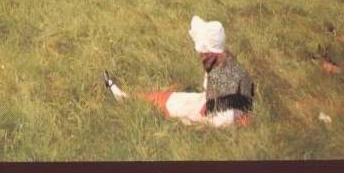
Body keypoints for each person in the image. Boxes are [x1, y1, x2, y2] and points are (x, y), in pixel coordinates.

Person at [104, 15, 255, 128]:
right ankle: (128, 97)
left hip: (218, 114)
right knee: (171, 98)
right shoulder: (226, 60)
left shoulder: (220, 65)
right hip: (217, 107)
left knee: (168, 104)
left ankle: (127, 99)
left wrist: (212, 107)